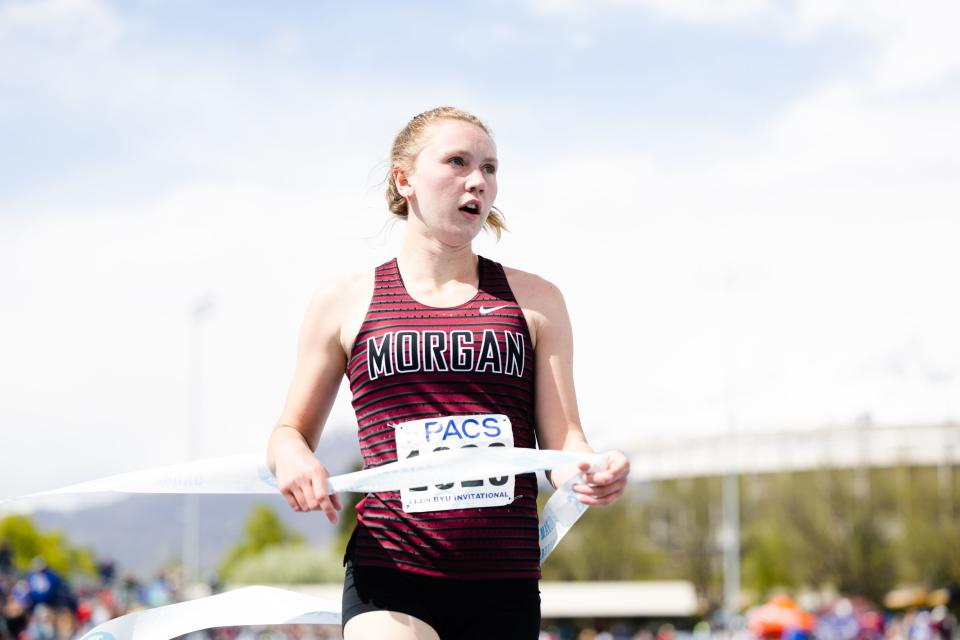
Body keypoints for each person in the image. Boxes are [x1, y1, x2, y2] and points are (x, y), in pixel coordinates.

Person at [266, 106, 630, 640]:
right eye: (457, 162)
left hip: (503, 579)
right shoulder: (343, 301)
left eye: (490, 167)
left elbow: (564, 441)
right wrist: (294, 456)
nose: (477, 180)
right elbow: (287, 432)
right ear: (404, 178)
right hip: (388, 569)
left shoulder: (536, 301)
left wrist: (589, 471)